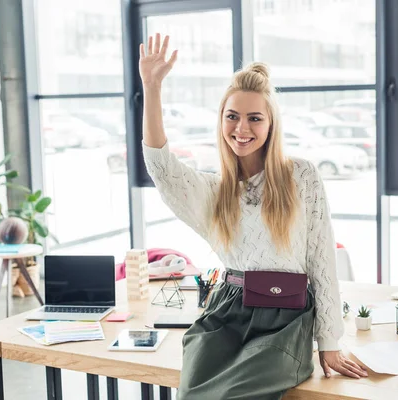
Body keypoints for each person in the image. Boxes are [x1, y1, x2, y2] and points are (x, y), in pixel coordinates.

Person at [139, 33, 368, 400]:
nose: (241, 129)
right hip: (226, 313)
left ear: (271, 124)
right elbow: (161, 167)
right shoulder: (215, 191)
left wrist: (329, 341)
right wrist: (152, 87)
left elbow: (322, 261)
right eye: (232, 117)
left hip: (286, 319)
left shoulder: (302, 175)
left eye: (254, 118)